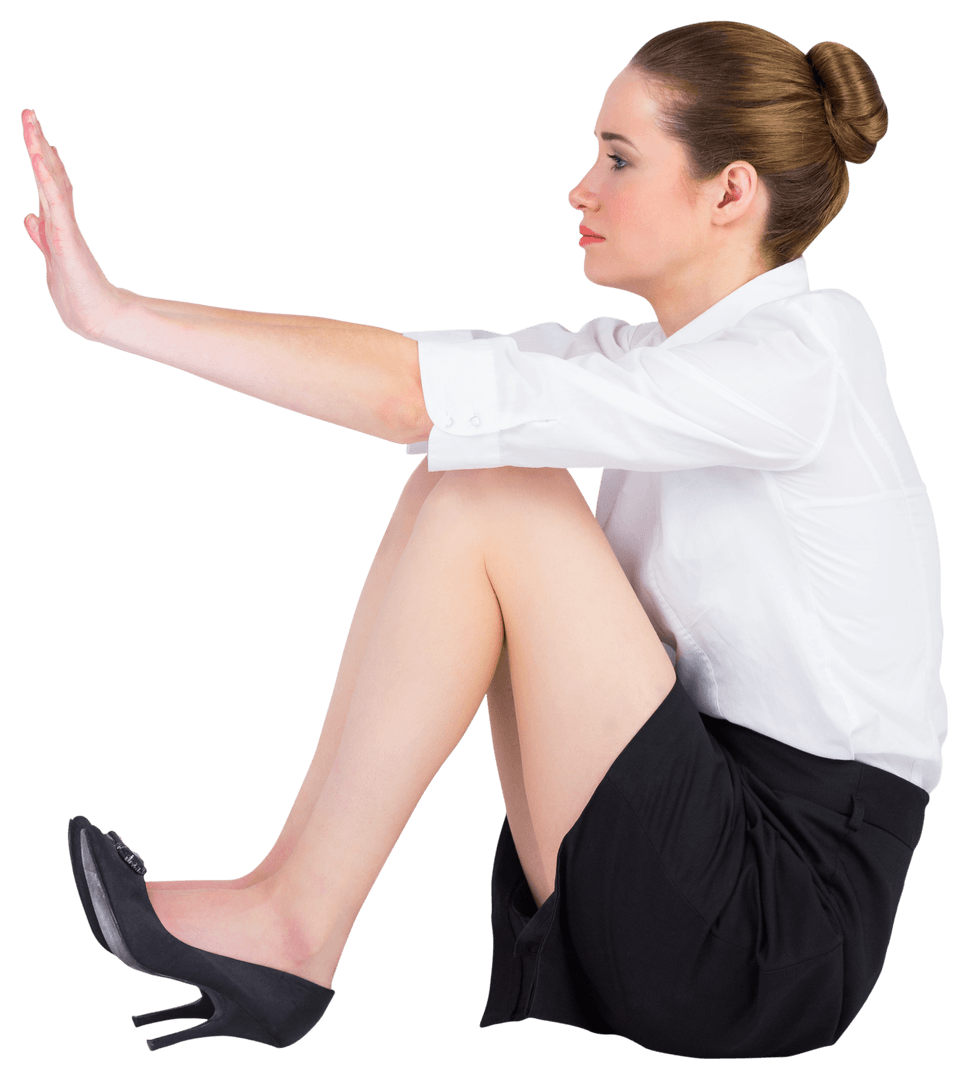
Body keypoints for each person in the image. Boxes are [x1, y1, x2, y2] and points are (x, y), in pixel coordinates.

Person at [28, 19, 944, 1059]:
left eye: (618, 157)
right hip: (687, 851)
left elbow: (422, 399)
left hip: (779, 920)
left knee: (493, 477)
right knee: (472, 463)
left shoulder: (805, 363)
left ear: (732, 192)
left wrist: (117, 317)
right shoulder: (649, 365)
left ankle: (291, 921)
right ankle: (288, 918)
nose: (580, 189)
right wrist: (123, 318)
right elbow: (421, 379)